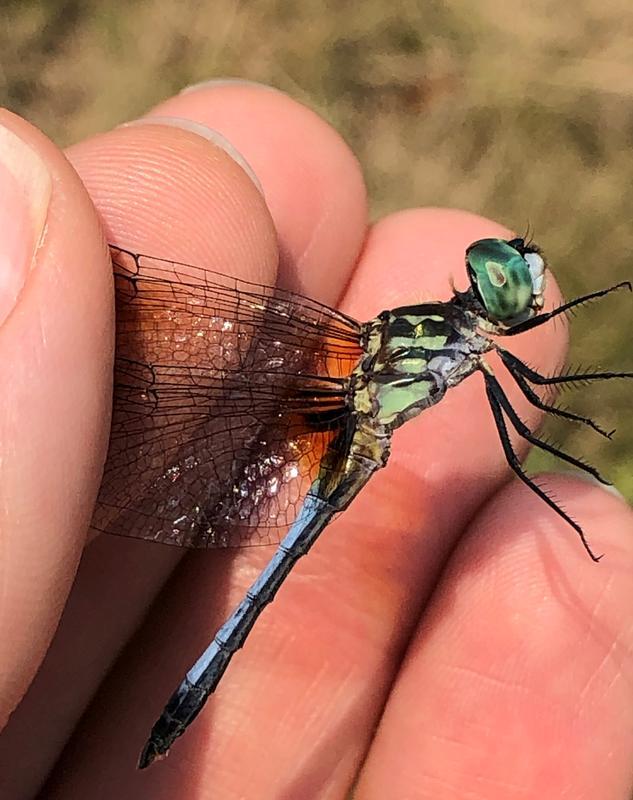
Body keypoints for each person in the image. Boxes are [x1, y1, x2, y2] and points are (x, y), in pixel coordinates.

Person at [0, 80, 632, 799]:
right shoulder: (458, 341)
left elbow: (521, 410)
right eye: (508, 277)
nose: (525, 279)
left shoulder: (450, 336)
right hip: (340, 438)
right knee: (525, 463)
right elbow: (523, 429)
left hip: (340, 429)